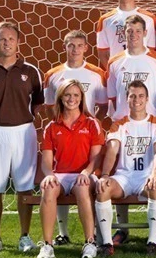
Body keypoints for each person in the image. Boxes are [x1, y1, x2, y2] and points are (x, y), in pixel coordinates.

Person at [0, 21, 45, 254]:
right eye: (2, 38)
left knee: (25, 187)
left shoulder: (30, 71)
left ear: (18, 42)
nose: (7, 42)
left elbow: (38, 102)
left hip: (24, 133)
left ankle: (25, 236)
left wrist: (21, 118)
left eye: (11, 38)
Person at [43, 30, 108, 246]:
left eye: (79, 45)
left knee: (82, 185)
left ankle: (91, 240)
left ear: (86, 48)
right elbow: (48, 107)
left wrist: (87, 126)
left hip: (84, 163)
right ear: (65, 46)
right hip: (62, 167)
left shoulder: (97, 74)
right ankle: (52, 241)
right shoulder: (53, 75)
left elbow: (104, 104)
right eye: (71, 45)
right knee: (51, 183)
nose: (75, 49)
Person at [95, 81, 156, 257]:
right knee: (103, 188)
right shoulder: (119, 125)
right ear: (126, 99)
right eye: (132, 96)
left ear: (147, 99)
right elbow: (112, 150)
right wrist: (105, 175)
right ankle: (106, 243)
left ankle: (152, 241)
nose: (137, 100)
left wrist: (155, 173)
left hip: (146, 176)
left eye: (141, 96)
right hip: (124, 176)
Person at [36, 80, 105, 258]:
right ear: (60, 98)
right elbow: (46, 162)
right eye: (67, 95)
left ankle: (90, 242)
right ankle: (47, 245)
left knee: (83, 188)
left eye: (76, 95)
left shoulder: (92, 123)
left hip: (84, 174)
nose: (71, 99)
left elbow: (96, 158)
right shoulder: (51, 126)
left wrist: (86, 172)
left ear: (82, 98)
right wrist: (49, 175)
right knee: (48, 188)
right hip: (60, 175)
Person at [106, 15, 156, 121]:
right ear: (123, 33)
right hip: (123, 124)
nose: (133, 35)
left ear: (145, 33)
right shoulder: (114, 62)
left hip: (150, 122)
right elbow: (113, 97)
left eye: (138, 31)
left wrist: (155, 117)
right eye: (130, 31)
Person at [96, 0, 156, 67]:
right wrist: (112, 71)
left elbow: (152, 50)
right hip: (119, 69)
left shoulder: (149, 18)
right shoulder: (105, 19)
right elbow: (102, 53)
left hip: (142, 68)